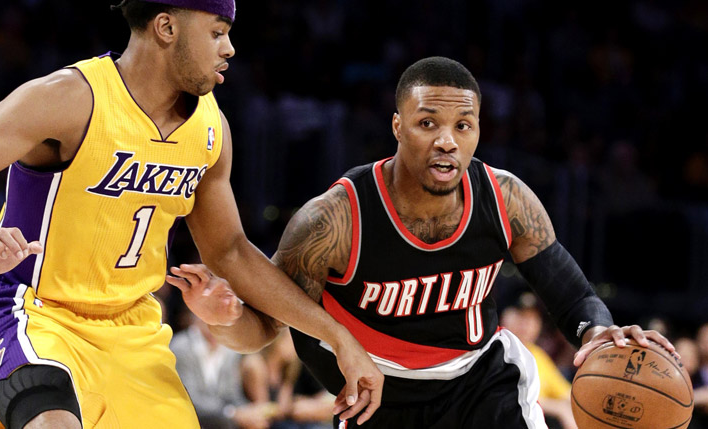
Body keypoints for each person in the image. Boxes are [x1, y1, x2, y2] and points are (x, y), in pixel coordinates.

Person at [0, 1, 383, 428]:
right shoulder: (70, 98)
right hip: (33, 310)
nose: (230, 48)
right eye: (217, 32)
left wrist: (339, 337)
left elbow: (231, 252)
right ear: (166, 27)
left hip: (133, 329)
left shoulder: (212, 129)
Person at [168, 56, 678, 428]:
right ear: (398, 126)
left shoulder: (506, 200)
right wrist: (224, 318)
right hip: (374, 393)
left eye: (463, 125)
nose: (447, 141)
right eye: (427, 123)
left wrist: (598, 333)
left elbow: (572, 296)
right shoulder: (334, 220)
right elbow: (263, 329)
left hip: (481, 381)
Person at [500, 294, 575, 429]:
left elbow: (566, 394)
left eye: (533, 319)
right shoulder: (498, 352)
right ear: (505, 317)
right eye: (521, 316)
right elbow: (509, 398)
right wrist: (558, 408)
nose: (527, 325)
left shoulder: (537, 354)